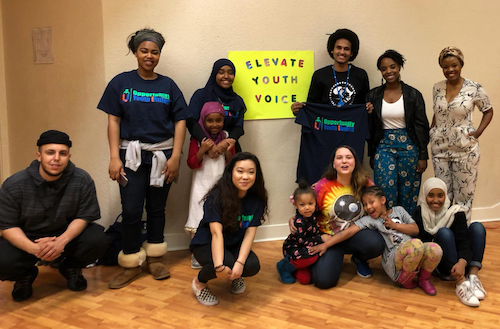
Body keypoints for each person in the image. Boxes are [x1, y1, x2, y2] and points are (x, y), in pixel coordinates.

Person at [97, 28, 187, 289]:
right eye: (144, 50)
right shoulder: (120, 83)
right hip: (130, 156)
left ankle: (156, 258)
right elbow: (113, 121)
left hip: (163, 155)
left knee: (157, 209)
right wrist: (115, 157)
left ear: (160, 54)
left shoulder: (168, 85)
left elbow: (180, 120)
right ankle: (131, 260)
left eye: (154, 51)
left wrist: (176, 157)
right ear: (135, 52)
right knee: (132, 209)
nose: (149, 56)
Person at [0, 130, 107, 302]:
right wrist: (33, 248)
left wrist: (61, 242)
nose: (56, 158)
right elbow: (7, 226)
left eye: (62, 153)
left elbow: (84, 216)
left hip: (66, 236)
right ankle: (25, 275)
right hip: (28, 238)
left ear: (68, 156)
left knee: (98, 239)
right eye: (50, 152)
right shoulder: (14, 184)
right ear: (39, 156)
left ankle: (70, 267)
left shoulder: (82, 180)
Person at [310, 186, 443, 295]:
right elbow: (347, 232)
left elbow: (415, 230)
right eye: (365, 204)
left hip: (413, 249)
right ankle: (404, 279)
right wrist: (326, 244)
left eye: (371, 202)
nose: (368, 207)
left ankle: (424, 279)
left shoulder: (399, 210)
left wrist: (395, 225)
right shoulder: (370, 220)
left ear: (383, 200)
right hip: (394, 255)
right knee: (416, 245)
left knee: (435, 249)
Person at [291, 145, 385, 289]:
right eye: (339, 158)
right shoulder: (322, 186)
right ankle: (322, 261)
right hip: (329, 238)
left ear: (355, 162)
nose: (344, 161)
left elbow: (377, 206)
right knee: (323, 282)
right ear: (333, 164)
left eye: (348, 157)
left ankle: (359, 259)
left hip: (355, 235)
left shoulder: (365, 183)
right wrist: (294, 219)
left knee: (376, 243)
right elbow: (306, 212)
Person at [291, 29, 371, 184]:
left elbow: (364, 106)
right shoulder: (320, 75)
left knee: (349, 174)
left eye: (346, 49)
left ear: (352, 52)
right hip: (324, 135)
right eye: (339, 48)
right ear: (332, 50)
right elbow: (311, 107)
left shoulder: (360, 75)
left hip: (350, 133)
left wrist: (368, 108)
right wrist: (298, 110)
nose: (342, 52)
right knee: (321, 171)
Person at [189, 152, 268, 306]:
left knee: (251, 265)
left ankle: (234, 275)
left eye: (251, 172)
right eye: (240, 171)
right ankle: (199, 283)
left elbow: (249, 234)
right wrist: (219, 266)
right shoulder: (217, 196)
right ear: (231, 172)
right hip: (206, 242)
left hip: (233, 243)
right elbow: (216, 233)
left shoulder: (256, 199)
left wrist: (240, 263)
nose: (245, 176)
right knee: (225, 262)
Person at [431, 46, 493, 222]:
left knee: (463, 197)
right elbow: (438, 112)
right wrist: (431, 130)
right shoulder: (437, 88)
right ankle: (445, 237)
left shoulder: (474, 88)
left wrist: (478, 132)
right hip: (439, 150)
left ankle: (462, 241)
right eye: (445, 66)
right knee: (442, 196)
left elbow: (488, 111)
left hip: (465, 150)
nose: (450, 70)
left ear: (461, 65)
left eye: (454, 65)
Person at [366, 50, 429, 215]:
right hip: (383, 146)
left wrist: (423, 155)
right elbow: (369, 127)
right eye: (384, 68)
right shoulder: (373, 95)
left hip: (409, 147)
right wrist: (368, 113)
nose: (389, 71)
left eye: (392, 66)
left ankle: (406, 230)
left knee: (408, 191)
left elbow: (422, 126)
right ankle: (387, 228)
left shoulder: (413, 94)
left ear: (399, 67)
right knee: (385, 189)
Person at [413, 177, 487, 307]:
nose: (435, 200)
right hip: (443, 264)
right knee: (444, 233)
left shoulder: (456, 212)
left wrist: (462, 262)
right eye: (431, 195)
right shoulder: (419, 213)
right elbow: (422, 244)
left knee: (478, 227)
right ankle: (460, 282)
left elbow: (464, 241)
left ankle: (473, 276)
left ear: (445, 195)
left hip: (461, 260)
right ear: (424, 195)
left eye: (440, 195)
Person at [185, 101, 235, 269]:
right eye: (210, 120)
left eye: (218, 120)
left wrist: (227, 150)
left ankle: (220, 250)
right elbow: (191, 163)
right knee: (198, 215)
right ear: (203, 121)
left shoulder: (227, 138)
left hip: (222, 186)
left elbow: (233, 164)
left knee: (220, 216)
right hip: (201, 184)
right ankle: (197, 253)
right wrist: (203, 149)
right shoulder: (198, 139)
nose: (215, 125)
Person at [187, 58, 246, 155]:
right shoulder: (201, 95)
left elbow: (238, 127)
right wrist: (208, 143)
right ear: (214, 74)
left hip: (228, 149)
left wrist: (226, 142)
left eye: (230, 73)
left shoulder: (237, 100)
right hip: (203, 149)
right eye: (221, 72)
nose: (226, 76)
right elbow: (191, 122)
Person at [277, 181, 331, 285]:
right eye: (302, 205)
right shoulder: (299, 223)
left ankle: (300, 266)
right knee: (314, 255)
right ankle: (284, 266)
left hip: (307, 247)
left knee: (305, 280)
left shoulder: (313, 213)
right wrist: (321, 239)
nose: (307, 207)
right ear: (295, 205)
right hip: (296, 248)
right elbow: (302, 241)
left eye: (310, 203)